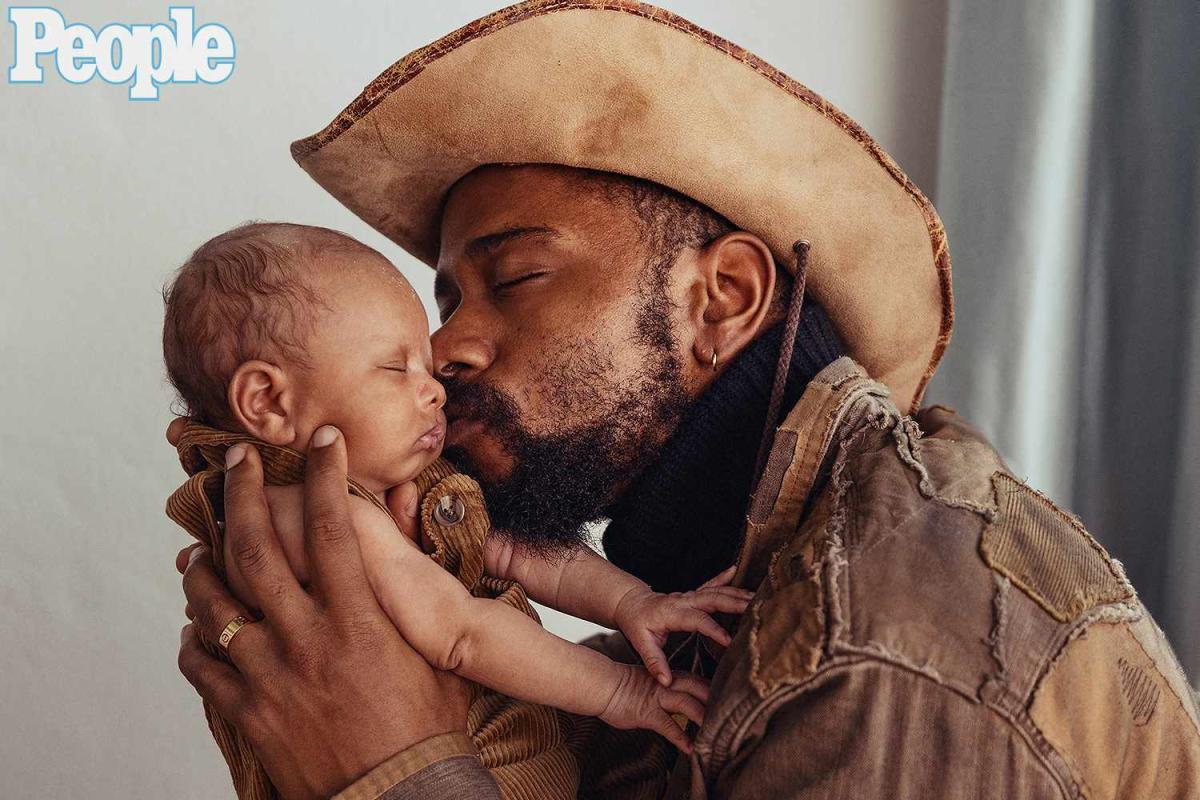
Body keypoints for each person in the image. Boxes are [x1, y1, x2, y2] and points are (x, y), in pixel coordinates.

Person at [175, 2, 1200, 799]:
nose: (446, 349)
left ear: (725, 299)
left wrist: (389, 761)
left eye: (515, 276)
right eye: (443, 299)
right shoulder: (730, 603)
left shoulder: (884, 650)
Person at [163, 221, 751, 798]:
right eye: (397, 368)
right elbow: (461, 636)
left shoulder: (399, 486)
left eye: (425, 359)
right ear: (267, 401)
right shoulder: (312, 519)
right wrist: (625, 694)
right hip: (477, 773)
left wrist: (633, 604)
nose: (437, 386)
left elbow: (517, 550)